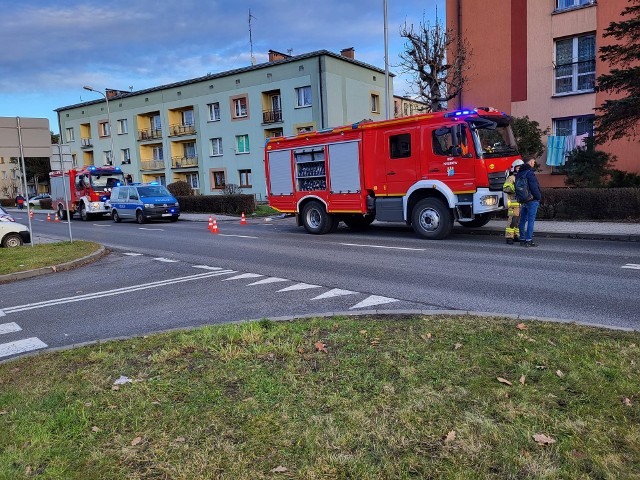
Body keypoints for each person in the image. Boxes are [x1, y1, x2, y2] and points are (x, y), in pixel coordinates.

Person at [516, 157, 542, 247]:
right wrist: (538, 197)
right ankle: (529, 240)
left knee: (522, 220)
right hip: (532, 199)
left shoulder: (519, 173)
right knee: (531, 220)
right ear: (530, 162)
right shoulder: (529, 173)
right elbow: (534, 187)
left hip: (523, 200)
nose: (534, 164)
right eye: (533, 162)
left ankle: (522, 239)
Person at [502, 159, 524, 244]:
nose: (519, 169)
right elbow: (505, 188)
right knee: (512, 221)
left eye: (521, 168)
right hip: (514, 203)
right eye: (518, 168)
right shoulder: (511, 178)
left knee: (518, 221)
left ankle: (516, 235)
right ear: (514, 168)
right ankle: (509, 237)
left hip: (522, 203)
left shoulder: (523, 178)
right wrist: (515, 188)